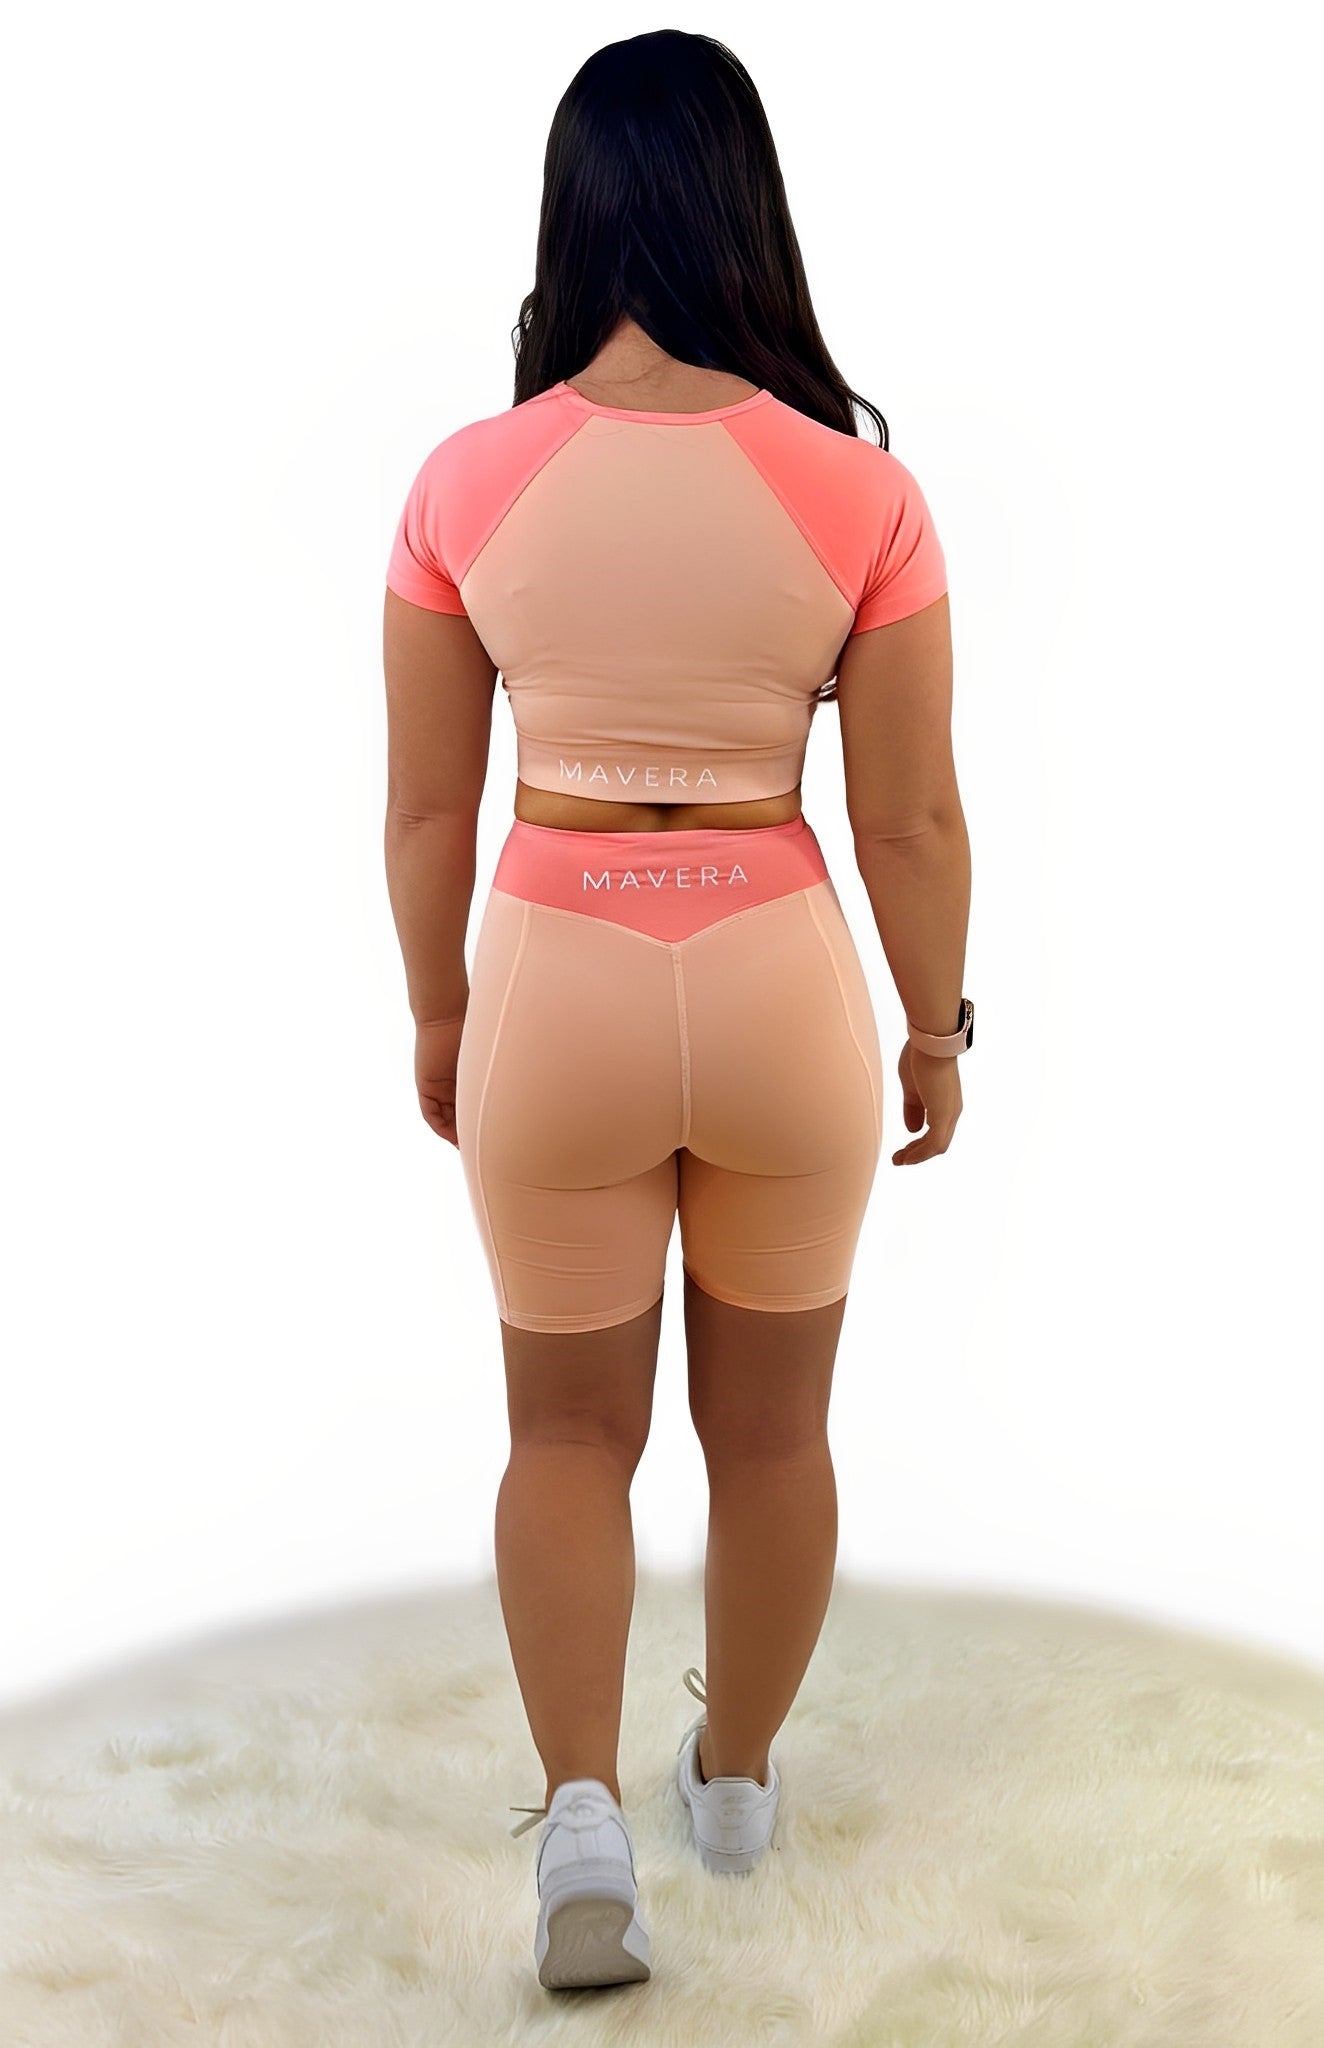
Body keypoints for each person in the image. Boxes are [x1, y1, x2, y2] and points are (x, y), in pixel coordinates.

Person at [381, 28, 973, 1993]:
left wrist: (441, 1013)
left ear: (570, 211)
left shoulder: (465, 482)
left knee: (565, 1428)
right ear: (747, 211)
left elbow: (424, 809)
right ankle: (730, 1785)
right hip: (777, 967)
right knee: (772, 1434)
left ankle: (578, 1813)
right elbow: (906, 817)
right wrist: (934, 1028)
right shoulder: (861, 491)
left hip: (554, 972)